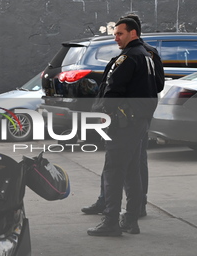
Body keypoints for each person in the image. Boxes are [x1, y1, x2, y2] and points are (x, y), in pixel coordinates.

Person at [82, 14, 164, 221]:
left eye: (119, 33)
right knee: (131, 167)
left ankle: (114, 217)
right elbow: (156, 86)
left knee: (118, 167)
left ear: (133, 32)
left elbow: (114, 89)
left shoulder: (132, 56)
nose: (116, 37)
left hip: (127, 120)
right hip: (137, 118)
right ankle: (130, 215)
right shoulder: (146, 54)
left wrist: (107, 113)